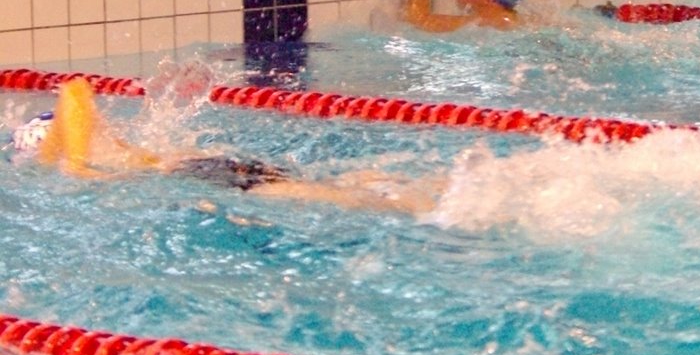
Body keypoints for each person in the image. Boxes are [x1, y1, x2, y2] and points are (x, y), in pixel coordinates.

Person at [15, 76, 440, 215]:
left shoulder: (66, 150)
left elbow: (74, 89)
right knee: (336, 186)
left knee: (341, 199)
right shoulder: (109, 146)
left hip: (200, 173)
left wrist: (75, 166)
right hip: (209, 167)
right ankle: (434, 188)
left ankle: (434, 207)